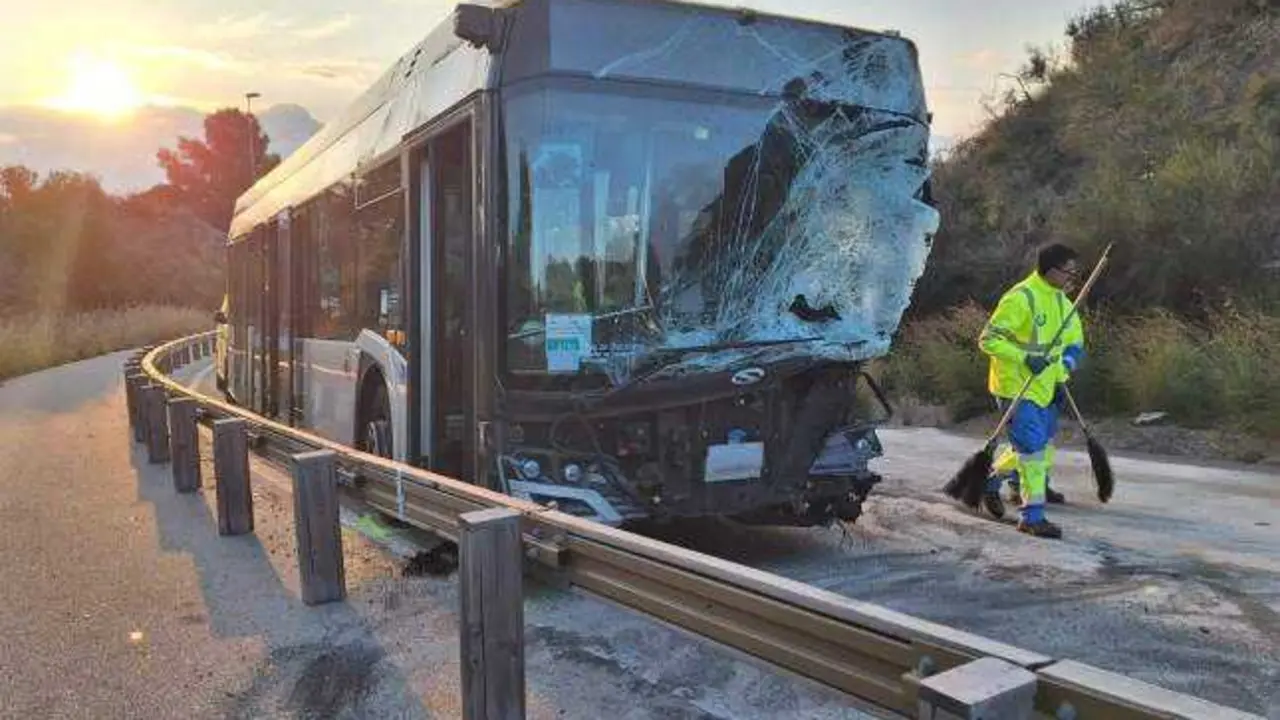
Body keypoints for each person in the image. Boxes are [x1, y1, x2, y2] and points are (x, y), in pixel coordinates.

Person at [977, 243, 1085, 538]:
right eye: (1068, 272)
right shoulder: (1020, 298)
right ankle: (1032, 517)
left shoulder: (1063, 303)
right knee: (1034, 450)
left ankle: (991, 479)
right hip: (1016, 387)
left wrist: (1068, 363)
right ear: (1050, 270)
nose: (1072, 279)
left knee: (1037, 449)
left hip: (1048, 387)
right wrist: (1025, 357)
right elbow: (988, 340)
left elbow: (1076, 342)